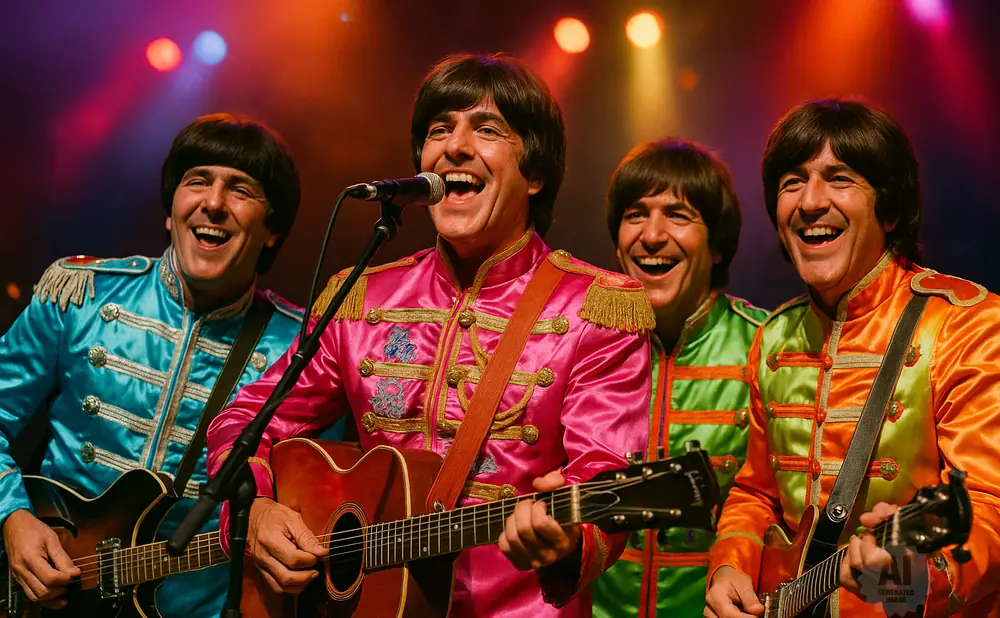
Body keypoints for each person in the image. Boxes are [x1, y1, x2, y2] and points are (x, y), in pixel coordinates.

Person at [206, 52, 653, 616]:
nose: (455, 146)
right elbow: (246, 419)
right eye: (440, 129)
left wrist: (568, 536)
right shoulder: (361, 298)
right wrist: (258, 512)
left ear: (535, 173)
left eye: (486, 129)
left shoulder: (597, 308)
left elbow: (604, 480)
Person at [0, 113, 340, 618]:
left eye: (240, 189)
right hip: (48, 596)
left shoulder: (306, 348)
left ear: (273, 230)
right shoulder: (81, 296)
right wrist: (12, 517)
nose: (214, 203)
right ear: (170, 210)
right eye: (197, 181)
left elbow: (324, 495)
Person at [705, 98, 1000, 618]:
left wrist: (908, 578)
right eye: (791, 183)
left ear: (889, 209)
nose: (810, 202)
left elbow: (991, 512)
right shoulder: (773, 336)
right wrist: (730, 564)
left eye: (839, 178)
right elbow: (755, 492)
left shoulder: (967, 323)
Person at [589, 139, 767, 618]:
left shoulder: (768, 347)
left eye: (678, 215)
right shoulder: (583, 348)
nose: (652, 235)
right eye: (635, 214)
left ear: (717, 246)